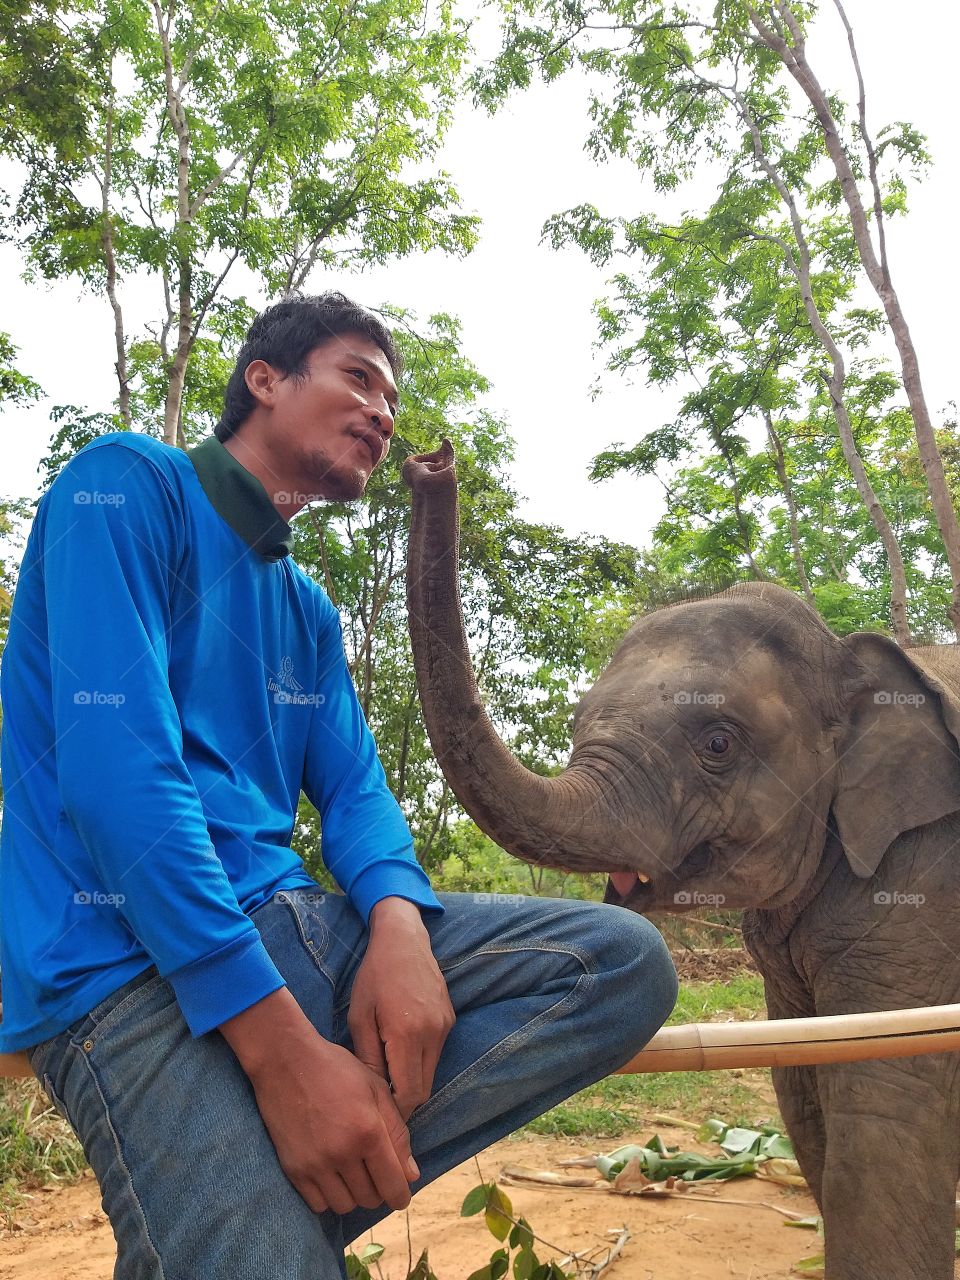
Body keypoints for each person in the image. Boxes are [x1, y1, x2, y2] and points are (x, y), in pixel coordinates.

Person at [0, 292, 678, 1279]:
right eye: (358, 376)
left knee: (620, 961)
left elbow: (356, 792)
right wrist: (282, 1059)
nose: (383, 410)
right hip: (123, 965)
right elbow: (122, 786)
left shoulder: (307, 610)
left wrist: (399, 926)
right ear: (264, 380)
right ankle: (248, 1211)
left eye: (393, 397)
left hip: (299, 934)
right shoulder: (125, 489)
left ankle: (248, 1203)